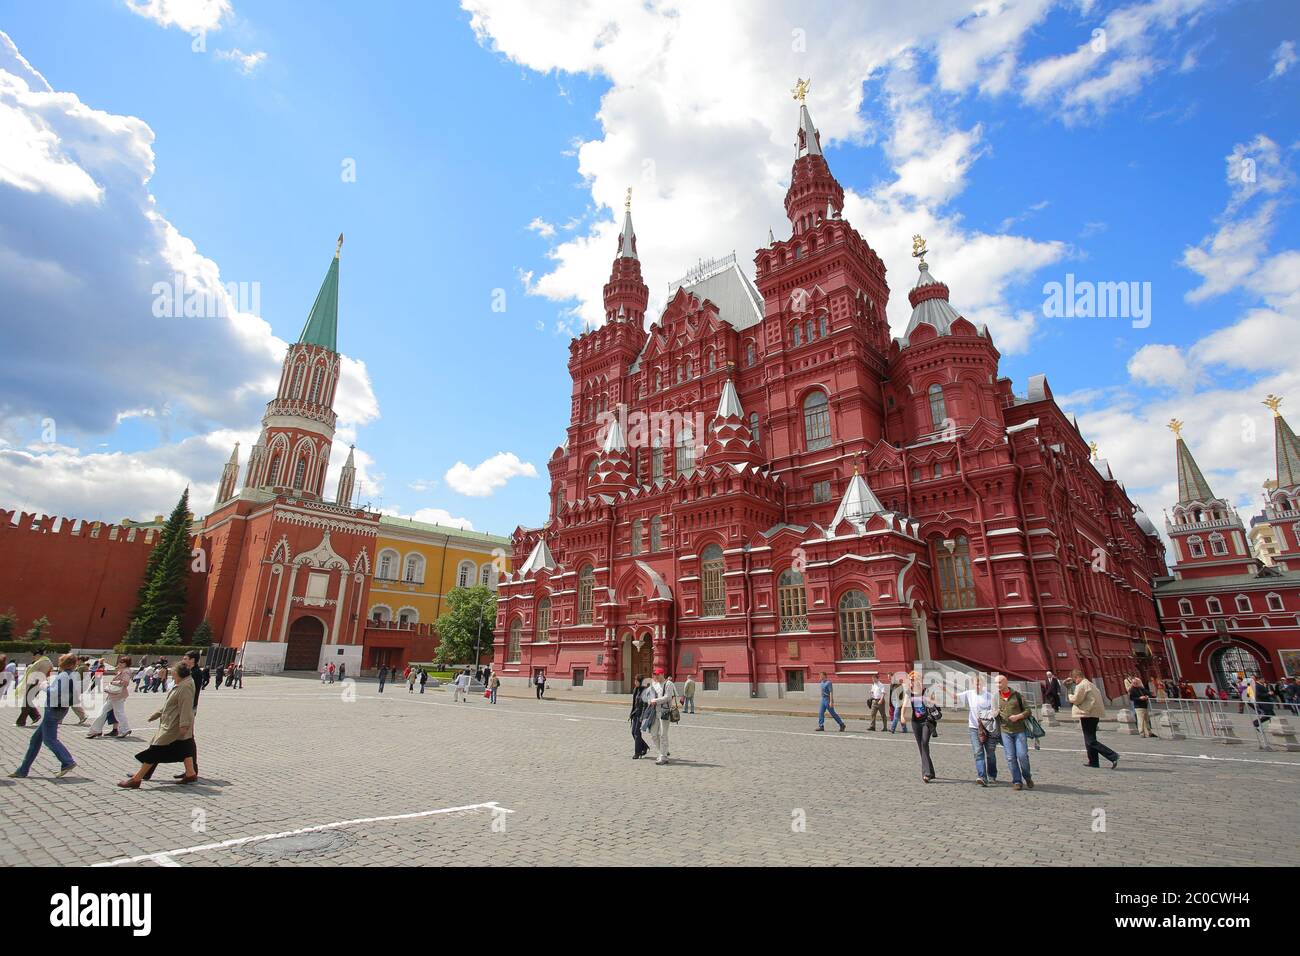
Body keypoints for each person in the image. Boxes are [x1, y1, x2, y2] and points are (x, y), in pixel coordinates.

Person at [117, 662, 197, 788]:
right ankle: (191, 773)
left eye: (173, 672)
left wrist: (184, 725)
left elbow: (186, 707)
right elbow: (171, 705)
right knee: (185, 748)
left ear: (178, 673)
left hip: (174, 724)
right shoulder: (182, 684)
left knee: (156, 749)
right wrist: (158, 714)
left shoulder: (185, 686)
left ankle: (137, 779)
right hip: (173, 721)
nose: (171, 675)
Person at [10, 653, 79, 779]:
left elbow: (54, 692)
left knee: (49, 739)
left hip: (53, 710)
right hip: (61, 709)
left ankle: (67, 761)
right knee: (35, 740)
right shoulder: (73, 675)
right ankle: (22, 770)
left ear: (62, 663)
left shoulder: (63, 675)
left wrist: (44, 686)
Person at [1066, 669, 1118, 769]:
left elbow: (1076, 699)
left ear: (1077, 677)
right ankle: (1093, 762)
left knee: (1090, 740)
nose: (1074, 681)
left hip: (1088, 714)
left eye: (1074, 679)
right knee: (1089, 739)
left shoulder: (1082, 685)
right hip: (1093, 714)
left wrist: (1069, 693)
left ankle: (1112, 755)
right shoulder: (1090, 684)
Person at [996, 674, 1034, 790]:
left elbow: (1028, 711)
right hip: (1005, 730)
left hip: (1019, 730)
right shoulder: (995, 697)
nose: (998, 685)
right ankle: (1017, 780)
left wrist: (1018, 716)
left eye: (1000, 682)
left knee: (1022, 755)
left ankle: (1027, 776)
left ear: (1006, 683)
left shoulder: (1017, 696)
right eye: (996, 683)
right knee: (1010, 757)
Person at [959, 675, 998, 786]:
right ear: (972, 684)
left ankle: (992, 774)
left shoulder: (989, 696)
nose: (977, 685)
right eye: (975, 683)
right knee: (978, 752)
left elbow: (995, 711)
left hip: (988, 727)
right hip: (974, 727)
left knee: (990, 753)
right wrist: (944, 689)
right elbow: (955, 697)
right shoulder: (969, 694)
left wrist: (990, 715)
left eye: (979, 683)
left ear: (983, 684)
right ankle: (982, 776)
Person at [87, 656, 133, 739]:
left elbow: (125, 683)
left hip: (118, 695)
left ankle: (96, 731)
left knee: (116, 712)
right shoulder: (123, 670)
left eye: (122, 662)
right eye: (120, 661)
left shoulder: (125, 671)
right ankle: (95, 730)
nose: (120, 663)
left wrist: (113, 682)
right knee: (107, 712)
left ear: (126, 663)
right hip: (115, 695)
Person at [904, 671, 937, 782]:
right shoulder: (909, 692)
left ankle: (926, 773)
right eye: (911, 680)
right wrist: (902, 716)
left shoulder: (926, 691)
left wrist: (928, 700)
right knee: (922, 747)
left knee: (924, 743)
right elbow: (904, 704)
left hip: (927, 721)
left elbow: (935, 702)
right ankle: (931, 772)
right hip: (915, 722)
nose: (912, 682)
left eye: (914, 680)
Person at [647, 668, 677, 765]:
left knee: (663, 734)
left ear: (662, 674)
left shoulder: (668, 684)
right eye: (655, 674)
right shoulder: (654, 684)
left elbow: (668, 697)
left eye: (658, 674)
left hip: (665, 712)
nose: (656, 676)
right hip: (654, 711)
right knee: (653, 734)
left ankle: (663, 757)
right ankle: (663, 752)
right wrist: (650, 700)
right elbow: (650, 695)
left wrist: (655, 701)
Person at [16, 655, 51, 727]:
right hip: (37, 684)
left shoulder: (36, 665)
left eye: (35, 656)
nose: (34, 657)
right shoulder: (44, 664)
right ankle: (35, 716)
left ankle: (22, 721)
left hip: (34, 684)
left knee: (26, 703)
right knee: (27, 702)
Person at [629, 674, 650, 759]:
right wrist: (631, 713)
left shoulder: (645, 691)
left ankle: (637, 753)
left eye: (636, 681)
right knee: (633, 732)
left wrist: (643, 717)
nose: (635, 682)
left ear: (640, 682)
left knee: (637, 733)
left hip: (641, 715)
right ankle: (644, 747)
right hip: (635, 714)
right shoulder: (635, 690)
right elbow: (634, 704)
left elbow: (645, 705)